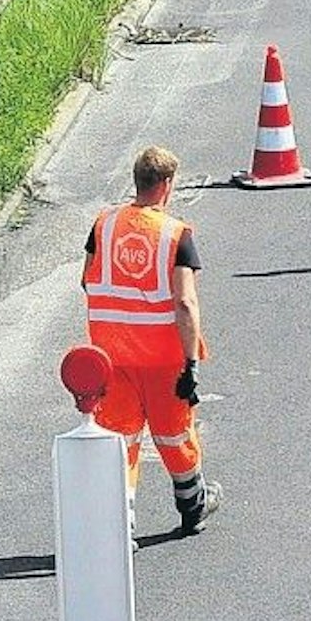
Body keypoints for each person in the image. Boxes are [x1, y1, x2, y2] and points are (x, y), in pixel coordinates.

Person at [81, 146, 222, 534]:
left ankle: (120, 520)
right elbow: (185, 304)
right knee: (174, 433)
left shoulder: (103, 225)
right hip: (162, 358)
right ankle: (192, 505)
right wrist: (191, 364)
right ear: (166, 185)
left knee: (121, 439)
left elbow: (87, 279)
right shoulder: (176, 235)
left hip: (112, 356)